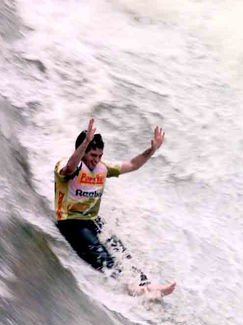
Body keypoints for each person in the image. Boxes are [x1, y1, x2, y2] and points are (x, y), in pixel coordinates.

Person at [54, 118, 175, 297]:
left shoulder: (103, 169)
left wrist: (152, 150)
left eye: (99, 156)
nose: (96, 160)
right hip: (70, 223)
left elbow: (133, 164)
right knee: (103, 256)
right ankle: (132, 288)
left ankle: (145, 283)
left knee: (121, 251)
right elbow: (71, 166)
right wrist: (85, 143)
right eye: (92, 155)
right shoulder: (66, 166)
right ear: (82, 152)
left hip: (92, 221)